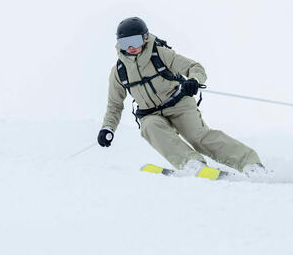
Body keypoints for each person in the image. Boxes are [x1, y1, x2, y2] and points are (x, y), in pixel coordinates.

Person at [98, 16, 266, 176]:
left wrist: (193, 80)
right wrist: (108, 128)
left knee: (198, 138)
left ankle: (249, 163)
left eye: (135, 41)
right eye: (124, 43)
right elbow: (115, 105)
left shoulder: (160, 54)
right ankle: (191, 163)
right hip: (151, 114)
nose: (130, 47)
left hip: (179, 105)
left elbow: (195, 67)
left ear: (145, 38)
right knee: (148, 126)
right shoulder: (119, 72)